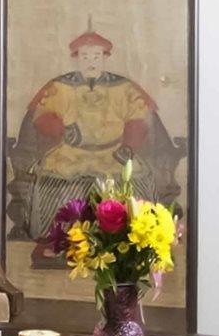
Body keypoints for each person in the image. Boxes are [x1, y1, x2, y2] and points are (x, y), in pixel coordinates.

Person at [10, 25, 182, 250]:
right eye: (85, 56)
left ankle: (129, 244)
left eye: (96, 56)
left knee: (138, 181)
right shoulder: (61, 86)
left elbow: (138, 118)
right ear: (76, 59)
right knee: (50, 180)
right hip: (70, 153)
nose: (91, 61)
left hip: (113, 153)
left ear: (105, 58)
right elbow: (43, 114)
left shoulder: (124, 88)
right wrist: (63, 130)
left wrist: (128, 147)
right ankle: (55, 241)